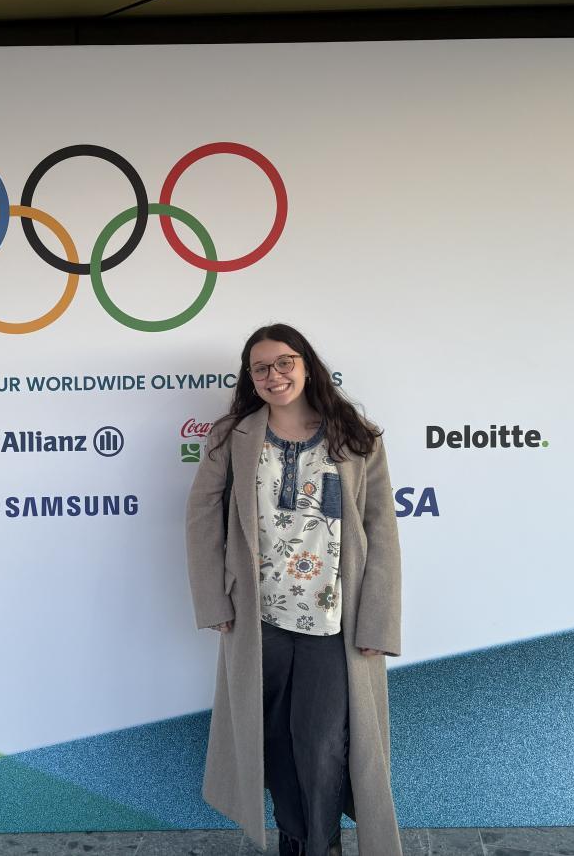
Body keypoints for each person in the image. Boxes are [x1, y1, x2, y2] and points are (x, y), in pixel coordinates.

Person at [186, 323, 403, 856]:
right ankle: (294, 841)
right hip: (258, 619)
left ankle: (321, 844)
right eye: (260, 367)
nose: (273, 375)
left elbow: (381, 530)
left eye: (284, 362)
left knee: (324, 745)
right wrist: (213, 600)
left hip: (335, 622)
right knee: (274, 742)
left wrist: (378, 620)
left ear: (306, 365)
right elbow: (201, 518)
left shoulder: (355, 436)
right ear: (250, 378)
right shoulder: (230, 437)